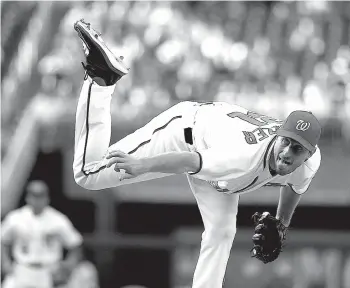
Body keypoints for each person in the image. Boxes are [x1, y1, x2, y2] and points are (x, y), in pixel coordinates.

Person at [72, 19, 321, 288]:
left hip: (216, 151)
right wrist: (141, 165)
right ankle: (101, 78)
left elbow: (296, 186)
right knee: (89, 174)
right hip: (185, 134)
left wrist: (281, 224)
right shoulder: (243, 157)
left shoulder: (310, 163)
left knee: (222, 231)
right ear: (279, 134)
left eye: (296, 148)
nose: (287, 151)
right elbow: (190, 161)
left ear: (308, 154)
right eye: (285, 141)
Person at [1, 180, 83, 288]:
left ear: (47, 198)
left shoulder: (58, 220)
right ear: (27, 197)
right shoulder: (16, 218)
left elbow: (76, 244)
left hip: (48, 270)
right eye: (34, 195)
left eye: (41, 196)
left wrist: (67, 267)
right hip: (22, 268)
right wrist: (5, 263)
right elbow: (3, 241)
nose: (37, 200)